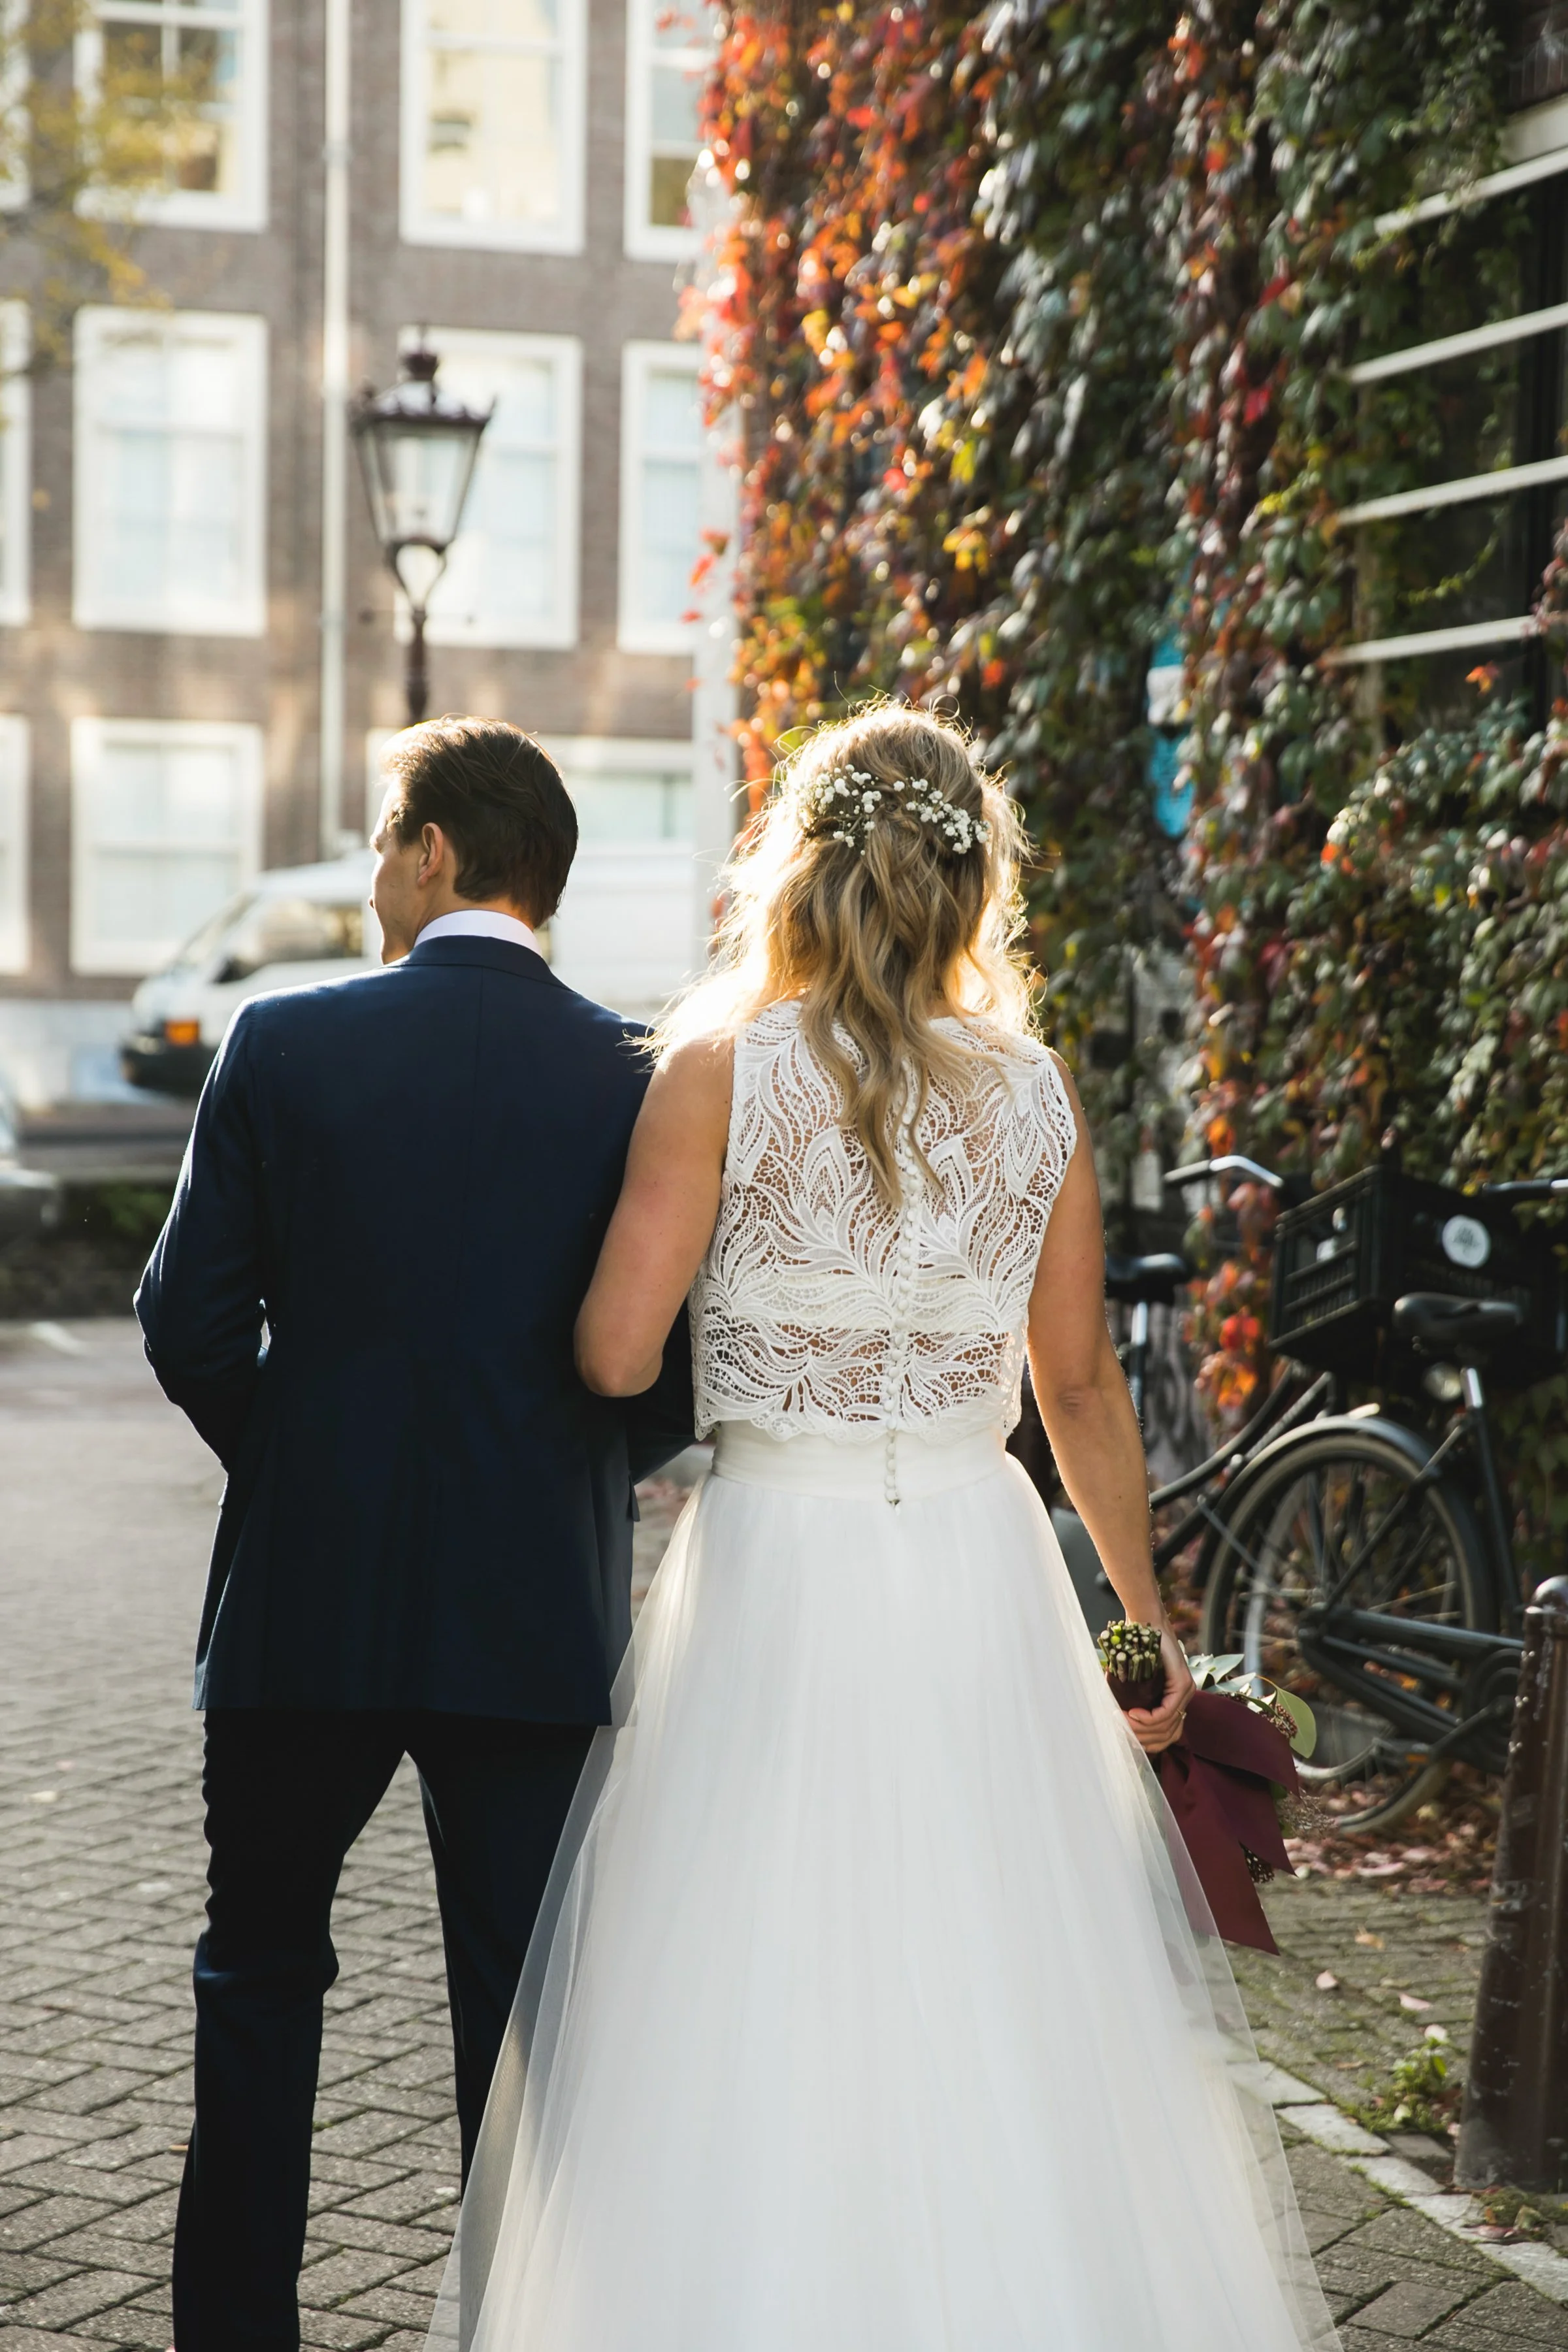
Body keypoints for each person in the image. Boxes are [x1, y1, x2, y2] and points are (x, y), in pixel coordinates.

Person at [431, 705, 1339, 2352]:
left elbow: (617, 1353)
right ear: (976, 884)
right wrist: (1142, 1636)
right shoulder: (1035, 1093)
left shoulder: (718, 1068)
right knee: (999, 1967)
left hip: (780, 1563)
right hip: (980, 1570)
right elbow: (1078, 1392)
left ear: (799, 865)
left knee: (754, 1971)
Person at [135, 717, 692, 2352]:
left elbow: (184, 1325)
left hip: (303, 1610)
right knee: (522, 2025)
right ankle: (518, 2328)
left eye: (385, 841)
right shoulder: (645, 1076)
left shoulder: (283, 1043)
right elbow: (671, 1361)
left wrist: (305, 1466)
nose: (375, 875)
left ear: (436, 851)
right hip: (533, 1614)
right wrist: (569, 1468)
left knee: (255, 1985)